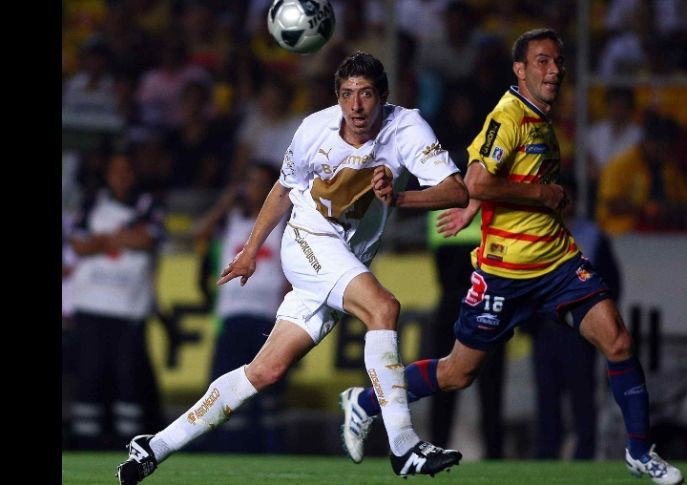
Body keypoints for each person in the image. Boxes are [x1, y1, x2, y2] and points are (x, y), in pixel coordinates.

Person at [338, 29, 683, 485]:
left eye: (558, 61)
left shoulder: (539, 118)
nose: (554, 69)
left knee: (618, 341)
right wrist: (535, 193)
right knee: (458, 373)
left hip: (556, 264)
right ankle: (364, 403)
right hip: (503, 272)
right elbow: (477, 179)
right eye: (542, 61)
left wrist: (473, 210)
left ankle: (640, 452)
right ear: (520, 70)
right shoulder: (509, 115)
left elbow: (493, 181)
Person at [115, 51, 468, 484]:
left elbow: (456, 191)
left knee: (264, 371)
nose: (356, 106)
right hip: (308, 241)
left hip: (347, 258)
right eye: (346, 95)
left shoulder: (407, 128)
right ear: (337, 97)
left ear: (384, 97)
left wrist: (401, 198)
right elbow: (283, 189)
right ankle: (403, 446)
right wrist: (250, 249)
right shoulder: (313, 129)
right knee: (384, 307)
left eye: (366, 95)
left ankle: (154, 446)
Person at [520, 174, 622, 460]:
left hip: (579, 331)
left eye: (568, 198)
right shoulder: (535, 235)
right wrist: (529, 324)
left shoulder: (592, 237)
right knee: (546, 399)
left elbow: (610, 284)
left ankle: (584, 455)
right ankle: (546, 454)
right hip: (545, 330)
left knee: (582, 399)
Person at [191, 162, 290, 453]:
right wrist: (225, 202)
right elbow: (199, 232)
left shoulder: (284, 221)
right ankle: (227, 452)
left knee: (267, 394)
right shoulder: (231, 220)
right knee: (227, 389)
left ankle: (272, 454)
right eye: (250, 182)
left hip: (268, 319)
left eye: (261, 183)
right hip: (232, 318)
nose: (254, 189)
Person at [69, 153, 164, 450]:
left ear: (134, 174)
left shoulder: (148, 204)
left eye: (127, 170)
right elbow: (78, 245)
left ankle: (128, 447)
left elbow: (149, 239)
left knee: (129, 381)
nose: (121, 176)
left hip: (129, 310)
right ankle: (85, 445)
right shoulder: (90, 203)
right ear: (107, 174)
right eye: (115, 170)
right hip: (90, 307)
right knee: (88, 378)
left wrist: (102, 240)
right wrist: (122, 238)